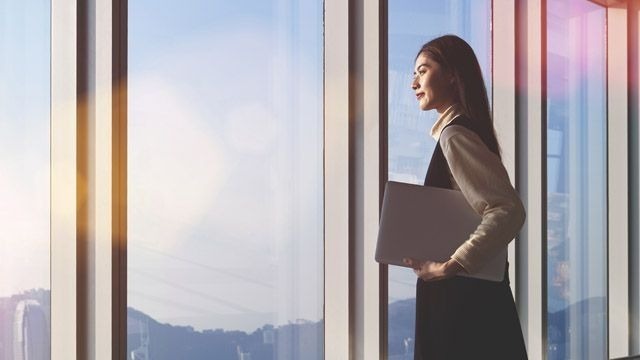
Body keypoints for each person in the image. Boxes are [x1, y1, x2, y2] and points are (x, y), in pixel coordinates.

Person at [402, 34, 528, 359]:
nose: (414, 82)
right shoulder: (463, 130)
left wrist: (452, 265)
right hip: (470, 298)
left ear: (452, 75)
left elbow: (507, 210)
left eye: (423, 70)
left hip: (461, 304)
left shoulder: (455, 135)